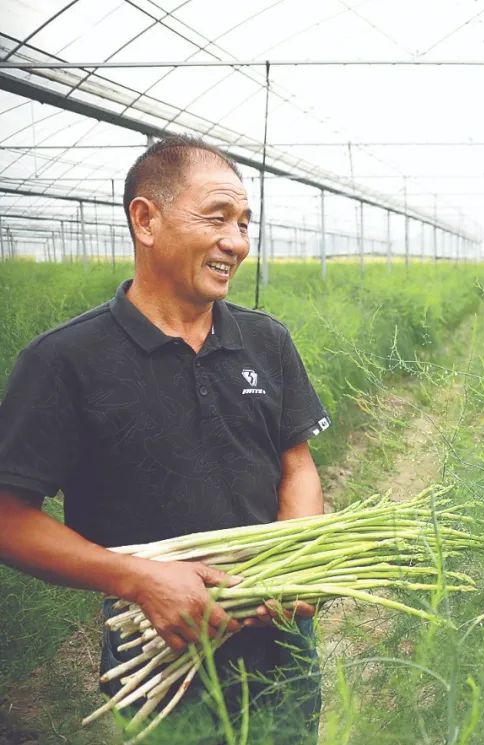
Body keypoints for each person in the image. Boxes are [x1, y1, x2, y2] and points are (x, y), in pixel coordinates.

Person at [0, 135, 330, 739]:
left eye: (245, 223)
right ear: (146, 220)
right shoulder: (66, 361)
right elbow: (8, 518)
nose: (236, 241)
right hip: (159, 647)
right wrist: (138, 579)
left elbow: (298, 465)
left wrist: (294, 561)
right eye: (217, 218)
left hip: (279, 635)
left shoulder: (266, 341)